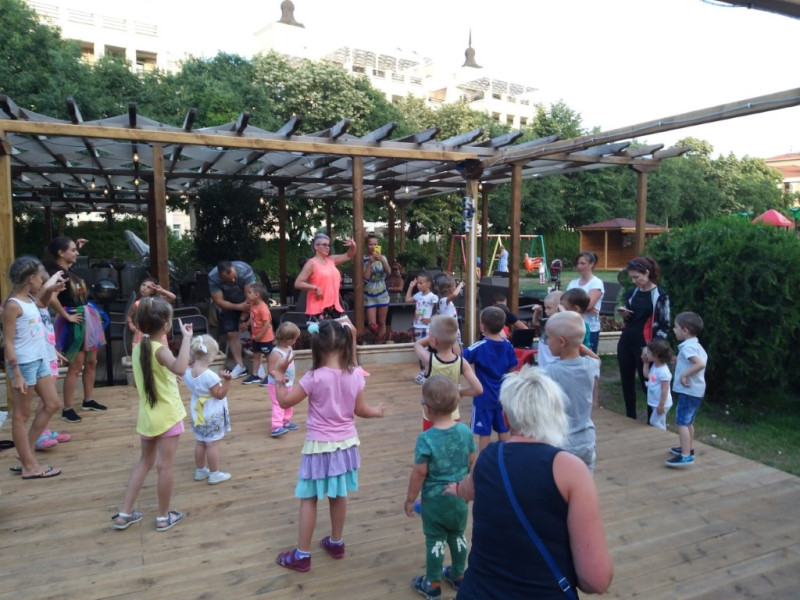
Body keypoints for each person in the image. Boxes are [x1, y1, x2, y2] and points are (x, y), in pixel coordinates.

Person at [446, 366, 614, 599]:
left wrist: (455, 489)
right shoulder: (571, 470)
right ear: (556, 414)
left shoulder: (488, 458)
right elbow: (596, 580)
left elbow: (467, 489)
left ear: (506, 418)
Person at [273, 320, 384, 572]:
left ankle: (302, 556)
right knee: (338, 494)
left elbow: (284, 402)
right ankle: (336, 542)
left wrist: (279, 375)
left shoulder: (313, 377)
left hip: (318, 447)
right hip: (346, 447)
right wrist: (377, 411)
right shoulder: (355, 374)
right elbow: (361, 410)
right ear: (345, 345)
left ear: (316, 346)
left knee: (309, 498)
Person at [112, 297, 192, 531]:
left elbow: (157, 373)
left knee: (144, 462)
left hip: (148, 416)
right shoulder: (159, 350)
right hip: (168, 416)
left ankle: (124, 514)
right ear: (166, 325)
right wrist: (187, 338)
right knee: (165, 467)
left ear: (138, 324)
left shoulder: (140, 348)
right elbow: (180, 368)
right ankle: (163, 517)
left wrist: (170, 375)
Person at [405, 376, 476, 599]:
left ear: (427, 409)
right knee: (458, 535)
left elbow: (419, 472)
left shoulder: (426, 439)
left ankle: (432, 583)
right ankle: (458, 574)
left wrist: (410, 499)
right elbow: (473, 463)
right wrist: (468, 490)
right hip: (459, 496)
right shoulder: (465, 432)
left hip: (435, 501)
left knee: (435, 540)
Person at [3, 257, 66, 479]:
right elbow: (8, 342)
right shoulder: (13, 305)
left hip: (39, 359)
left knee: (52, 403)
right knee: (21, 416)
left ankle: (26, 453)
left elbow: (42, 304)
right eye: (40, 278)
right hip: (24, 364)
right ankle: (29, 467)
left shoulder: (29, 299)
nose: (42, 281)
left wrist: (51, 289)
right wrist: (16, 374)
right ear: (31, 279)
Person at [44, 236, 107, 423]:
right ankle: (68, 408)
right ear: (60, 253)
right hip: (75, 321)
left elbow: (69, 263)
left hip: (87, 319)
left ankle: (88, 400)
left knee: (92, 361)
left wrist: (76, 246)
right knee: (76, 365)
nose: (76, 253)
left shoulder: (67, 270)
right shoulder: (58, 275)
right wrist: (66, 316)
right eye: (73, 250)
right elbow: (52, 298)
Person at [543, 311, 601, 473]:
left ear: (561, 342)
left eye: (548, 337)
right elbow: (598, 360)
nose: (547, 341)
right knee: (584, 483)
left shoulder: (549, 372)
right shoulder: (590, 365)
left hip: (561, 442)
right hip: (586, 440)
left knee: (560, 484)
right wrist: (581, 347)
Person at [616, 256, 670, 420]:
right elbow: (632, 318)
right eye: (632, 278)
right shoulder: (633, 293)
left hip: (645, 345)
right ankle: (630, 416)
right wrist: (626, 315)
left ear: (647, 273)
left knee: (648, 383)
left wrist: (651, 347)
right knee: (626, 382)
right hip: (626, 342)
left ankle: (652, 420)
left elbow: (665, 325)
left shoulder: (660, 295)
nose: (634, 281)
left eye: (637, 277)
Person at [462, 307, 519, 451]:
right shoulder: (508, 346)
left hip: (483, 398)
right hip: (502, 397)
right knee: (503, 430)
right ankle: (504, 457)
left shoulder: (479, 347)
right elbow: (512, 371)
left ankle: (483, 459)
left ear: (483, 327)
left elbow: (460, 359)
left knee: (484, 433)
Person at [413, 315, 482, 431]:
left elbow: (417, 344)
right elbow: (478, 389)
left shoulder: (429, 360)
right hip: (453, 416)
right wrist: (460, 392)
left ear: (433, 340)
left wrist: (433, 336)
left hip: (431, 416)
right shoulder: (462, 362)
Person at [184, 334, 233, 485]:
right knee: (212, 444)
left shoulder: (188, 372)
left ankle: (200, 470)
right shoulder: (209, 376)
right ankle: (214, 473)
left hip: (198, 412)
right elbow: (219, 394)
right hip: (211, 414)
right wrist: (227, 381)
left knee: (200, 442)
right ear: (211, 357)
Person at [666, 312, 707, 468]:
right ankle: (688, 448)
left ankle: (685, 456)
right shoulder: (695, 346)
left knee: (682, 422)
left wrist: (684, 375)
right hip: (696, 391)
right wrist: (675, 360)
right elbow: (690, 362)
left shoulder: (688, 348)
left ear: (685, 330)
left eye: (676, 327)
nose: (674, 330)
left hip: (689, 391)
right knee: (688, 422)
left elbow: (700, 364)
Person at [294, 232, 356, 328]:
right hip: (317, 307)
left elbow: (349, 255)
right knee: (324, 336)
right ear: (316, 246)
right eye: (324, 245)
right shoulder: (311, 263)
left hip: (334, 306)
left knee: (351, 330)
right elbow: (298, 283)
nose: (327, 247)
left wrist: (353, 246)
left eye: (328, 245)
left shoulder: (331, 260)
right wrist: (315, 288)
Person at [208, 260, 256, 380]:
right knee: (231, 334)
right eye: (228, 279)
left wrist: (243, 318)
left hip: (249, 302)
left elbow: (250, 297)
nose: (233, 280)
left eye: (234, 277)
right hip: (229, 304)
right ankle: (240, 366)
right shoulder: (213, 277)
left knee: (258, 330)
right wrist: (238, 307)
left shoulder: (245, 270)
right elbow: (219, 301)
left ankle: (259, 365)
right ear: (220, 275)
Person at [266, 321, 302, 437]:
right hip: (276, 384)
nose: (295, 341)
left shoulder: (289, 348)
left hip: (288, 383)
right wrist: (280, 376)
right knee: (278, 404)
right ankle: (276, 426)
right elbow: (271, 370)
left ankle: (286, 421)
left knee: (288, 401)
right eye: (293, 339)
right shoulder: (276, 353)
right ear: (285, 339)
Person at [566, 251, 605, 353]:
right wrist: (583, 308)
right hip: (573, 326)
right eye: (578, 263)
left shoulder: (596, 283)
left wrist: (584, 308)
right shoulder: (573, 283)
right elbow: (564, 303)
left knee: (587, 356)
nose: (579, 266)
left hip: (590, 328)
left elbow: (588, 305)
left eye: (583, 263)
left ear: (591, 264)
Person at [126, 277, 176, 350]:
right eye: (143, 285)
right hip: (141, 331)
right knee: (141, 352)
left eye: (148, 287)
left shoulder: (156, 300)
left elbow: (173, 297)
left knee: (159, 351)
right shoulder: (137, 303)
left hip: (157, 329)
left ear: (153, 291)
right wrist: (131, 324)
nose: (144, 288)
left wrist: (161, 290)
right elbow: (129, 316)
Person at [406, 272, 438, 384]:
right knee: (419, 351)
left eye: (421, 283)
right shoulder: (418, 295)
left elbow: (438, 310)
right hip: (417, 326)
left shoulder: (433, 297)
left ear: (428, 284)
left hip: (426, 328)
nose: (418, 285)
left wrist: (431, 319)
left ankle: (427, 372)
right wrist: (411, 287)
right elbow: (407, 299)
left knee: (425, 350)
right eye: (418, 283)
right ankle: (423, 371)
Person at [241, 282, 274, 385]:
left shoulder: (263, 308)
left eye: (249, 292)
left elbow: (267, 324)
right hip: (256, 337)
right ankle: (255, 375)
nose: (247, 294)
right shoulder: (252, 305)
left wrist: (260, 335)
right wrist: (246, 324)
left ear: (256, 295)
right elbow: (252, 317)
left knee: (268, 356)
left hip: (265, 337)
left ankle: (271, 376)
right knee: (256, 355)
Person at [363, 234, 391, 340]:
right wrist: (369, 263)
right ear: (366, 245)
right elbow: (365, 278)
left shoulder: (383, 258)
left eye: (375, 244)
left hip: (382, 293)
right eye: (370, 244)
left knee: (382, 321)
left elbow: (389, 272)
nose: (373, 247)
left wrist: (383, 261)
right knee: (372, 325)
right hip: (369, 294)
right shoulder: (364, 259)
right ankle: (374, 341)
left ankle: (381, 343)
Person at [642, 338, 673, 431]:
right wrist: (646, 363)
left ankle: (667, 436)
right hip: (655, 402)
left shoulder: (663, 372)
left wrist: (661, 405)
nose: (646, 354)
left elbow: (665, 389)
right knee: (661, 421)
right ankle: (664, 436)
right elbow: (647, 375)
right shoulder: (655, 366)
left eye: (648, 352)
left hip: (662, 403)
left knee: (653, 421)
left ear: (655, 355)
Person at [531, 290, 562, 368]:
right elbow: (535, 322)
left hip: (554, 365)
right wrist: (537, 312)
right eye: (545, 308)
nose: (545, 311)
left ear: (559, 308)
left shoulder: (562, 325)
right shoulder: (547, 321)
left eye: (549, 308)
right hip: (543, 365)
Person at [436, 276, 464, 349]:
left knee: (458, 351)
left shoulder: (448, 302)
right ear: (450, 288)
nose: (455, 287)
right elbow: (454, 295)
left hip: (454, 332)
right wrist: (460, 285)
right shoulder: (443, 301)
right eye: (454, 286)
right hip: (449, 333)